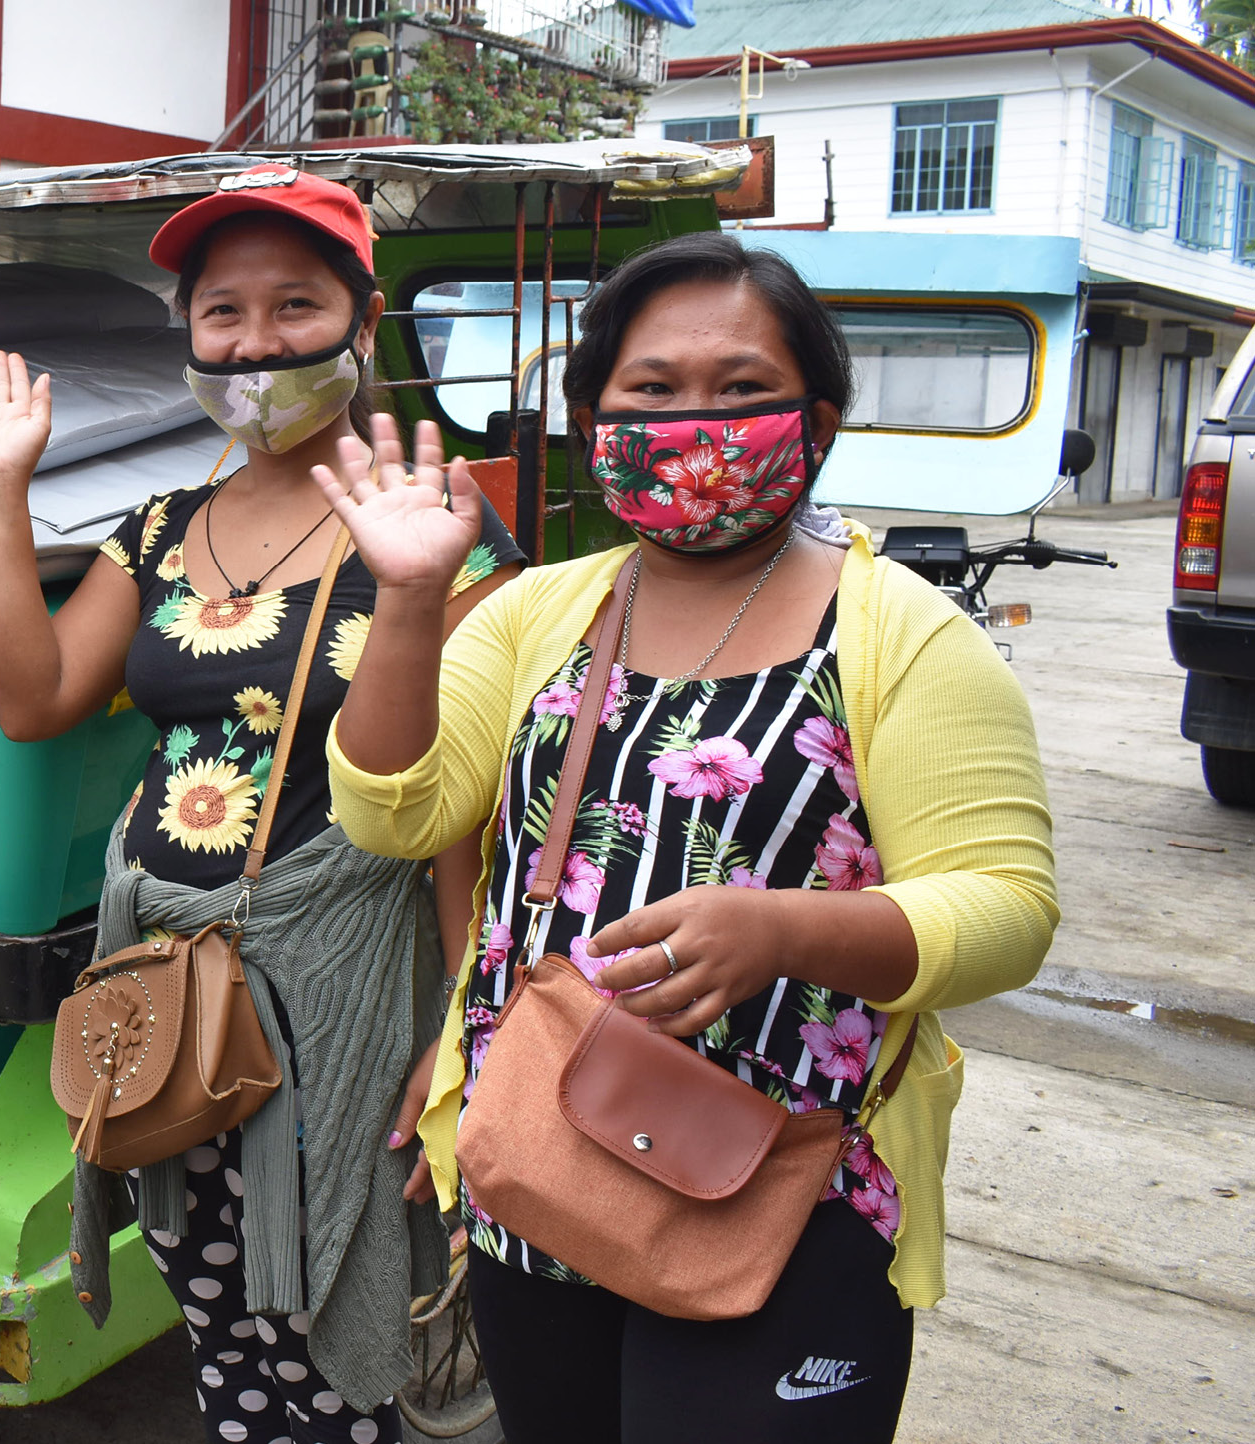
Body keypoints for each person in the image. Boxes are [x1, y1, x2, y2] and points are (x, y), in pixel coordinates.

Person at [323, 231, 1059, 1442]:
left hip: (788, 1191)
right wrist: (407, 599)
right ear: (587, 414)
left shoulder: (904, 636)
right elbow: (391, 808)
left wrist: (783, 927)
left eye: (740, 391)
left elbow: (1006, 907)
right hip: (546, 1163)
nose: (692, 421)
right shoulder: (538, 610)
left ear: (816, 419)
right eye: (651, 391)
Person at [0, 165, 525, 1444]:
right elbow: (34, 699)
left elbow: (468, 807)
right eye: (222, 315)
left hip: (346, 997)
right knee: (217, 1307)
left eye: (294, 306)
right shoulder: (159, 529)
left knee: (332, 1311)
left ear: (362, 324)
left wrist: (466, 1021)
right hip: (172, 983)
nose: (255, 344)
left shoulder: (440, 529)